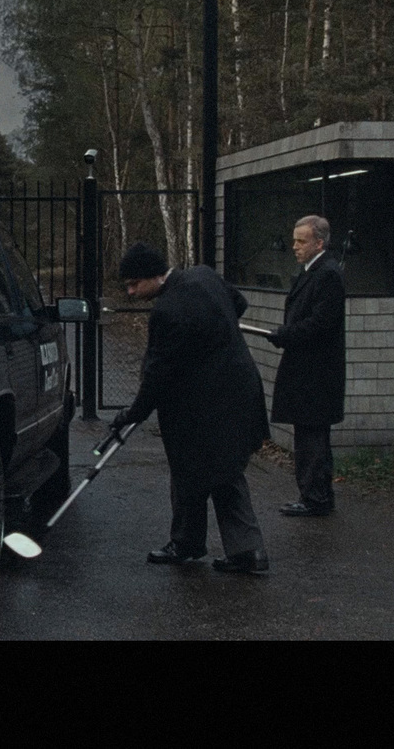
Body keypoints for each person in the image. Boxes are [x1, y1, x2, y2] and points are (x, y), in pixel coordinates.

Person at [111, 242, 270, 574]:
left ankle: (202, 544)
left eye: (134, 284)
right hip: (240, 388)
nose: (131, 291)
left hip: (202, 404)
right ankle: (236, 548)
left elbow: (156, 374)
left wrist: (131, 415)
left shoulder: (167, 311)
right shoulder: (204, 275)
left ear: (154, 275)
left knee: (194, 471)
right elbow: (239, 302)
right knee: (221, 470)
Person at [268, 214, 346, 517]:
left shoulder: (326, 275)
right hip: (309, 369)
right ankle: (316, 494)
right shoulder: (314, 272)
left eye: (302, 241)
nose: (295, 246)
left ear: (319, 242)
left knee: (312, 437)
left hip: (316, 372)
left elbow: (320, 324)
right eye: (295, 240)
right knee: (310, 435)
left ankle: (315, 496)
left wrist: (285, 334)